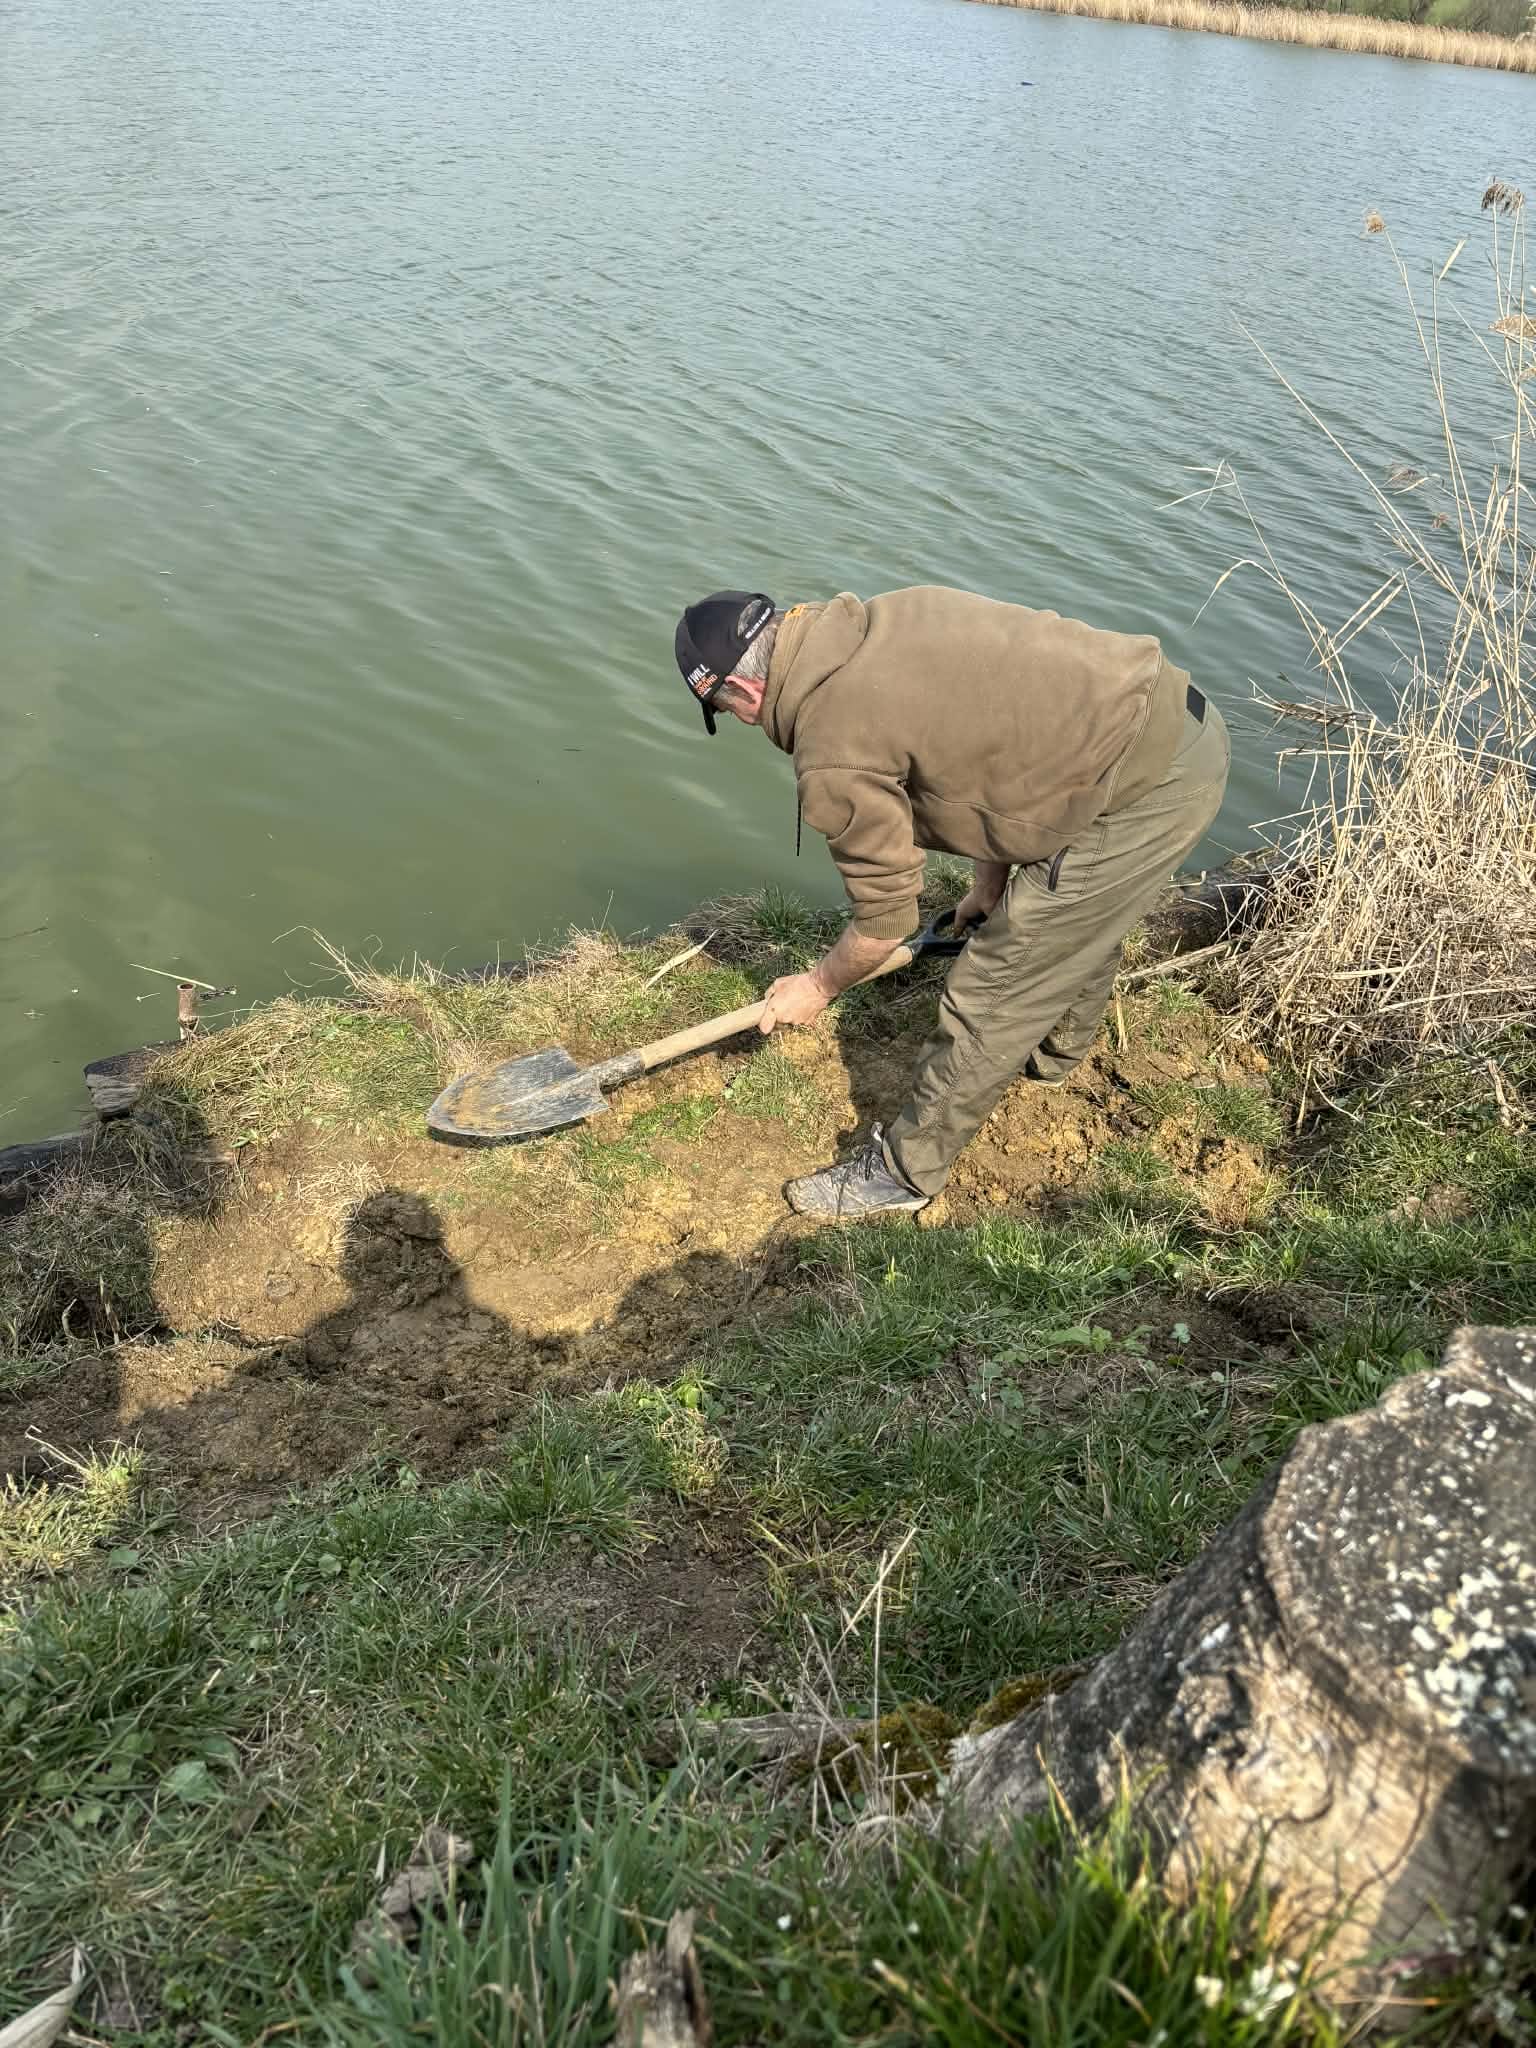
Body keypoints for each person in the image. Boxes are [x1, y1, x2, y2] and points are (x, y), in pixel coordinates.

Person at [672, 586, 1230, 1218]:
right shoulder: (875, 622)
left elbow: (886, 919)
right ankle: (1052, 1058)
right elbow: (992, 764)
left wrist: (818, 985)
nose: (742, 721)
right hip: (1162, 713)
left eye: (727, 710)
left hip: (1147, 781)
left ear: (745, 691)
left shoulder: (834, 747)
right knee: (1073, 918)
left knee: (996, 981)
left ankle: (905, 1172)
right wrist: (989, 885)